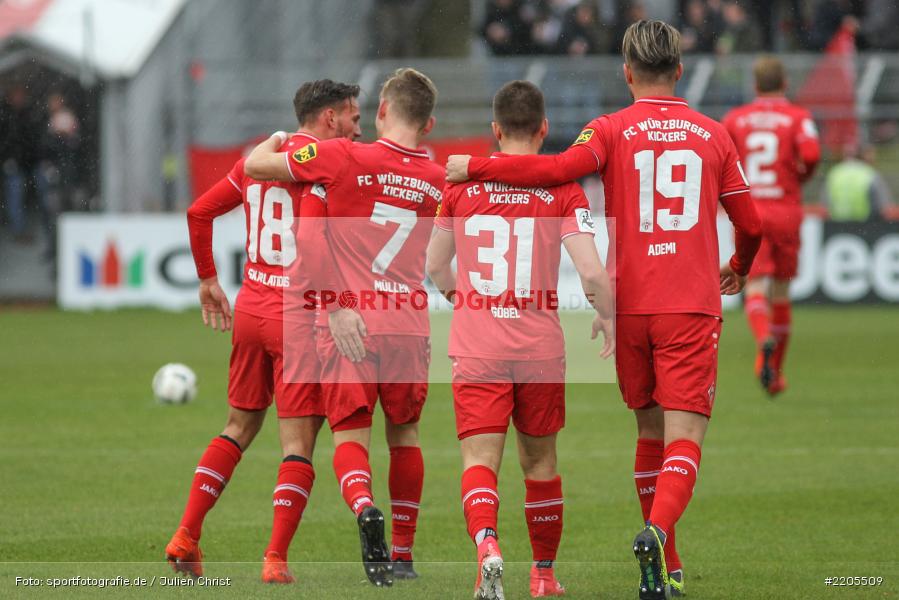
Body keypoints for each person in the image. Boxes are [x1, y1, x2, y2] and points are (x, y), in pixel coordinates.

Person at [446, 20, 763, 599]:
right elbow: (752, 223)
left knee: (647, 427)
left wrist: (477, 167)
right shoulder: (714, 135)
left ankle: (665, 559)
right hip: (690, 305)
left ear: (625, 72)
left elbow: (555, 171)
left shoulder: (608, 129)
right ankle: (658, 539)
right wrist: (738, 265)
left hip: (632, 307)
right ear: (680, 70)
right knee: (684, 435)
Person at [244, 68, 444, 587]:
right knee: (406, 435)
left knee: (349, 434)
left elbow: (259, 167)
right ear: (429, 123)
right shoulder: (439, 177)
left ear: (381, 112)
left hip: (352, 319)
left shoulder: (344, 157)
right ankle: (403, 554)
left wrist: (333, 306)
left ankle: (362, 506)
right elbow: (447, 260)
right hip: (409, 324)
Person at [166, 79, 362, 584]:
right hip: (300, 317)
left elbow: (199, 211)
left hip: (252, 309)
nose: (357, 128)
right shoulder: (331, 162)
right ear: (329, 119)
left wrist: (209, 279)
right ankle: (275, 559)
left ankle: (186, 534)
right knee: (297, 444)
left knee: (238, 426)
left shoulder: (259, 158)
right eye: (353, 117)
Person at [427, 80, 614, 599]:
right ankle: (544, 576)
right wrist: (608, 314)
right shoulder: (563, 189)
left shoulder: (461, 186)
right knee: (541, 465)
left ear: (494, 129)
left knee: (479, 463)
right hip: (538, 349)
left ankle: (487, 545)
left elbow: (435, 265)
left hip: (477, 345)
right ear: (545, 129)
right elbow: (593, 274)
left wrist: (460, 300)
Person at [722, 56, 821, 396]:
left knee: (755, 287)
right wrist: (799, 179)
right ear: (785, 84)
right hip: (786, 208)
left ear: (755, 85)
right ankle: (775, 371)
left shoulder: (736, 119)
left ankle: (762, 336)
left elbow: (721, 160)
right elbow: (809, 155)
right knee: (781, 291)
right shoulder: (798, 117)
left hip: (750, 210)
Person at [824, 144, 898, 222]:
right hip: (865, 226)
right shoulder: (870, 174)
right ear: (865, 156)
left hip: (837, 225)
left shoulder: (835, 173)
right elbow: (884, 208)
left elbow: (825, 205)